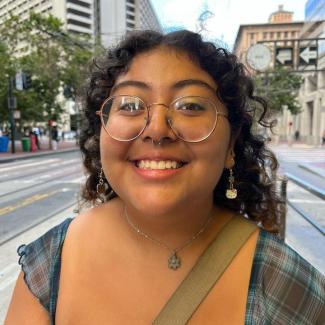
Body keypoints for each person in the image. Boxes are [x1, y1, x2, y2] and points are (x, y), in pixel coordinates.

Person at [5, 30, 324, 324]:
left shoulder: (283, 278)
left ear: (230, 144)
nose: (157, 129)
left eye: (190, 105)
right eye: (129, 104)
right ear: (101, 131)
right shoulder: (48, 262)